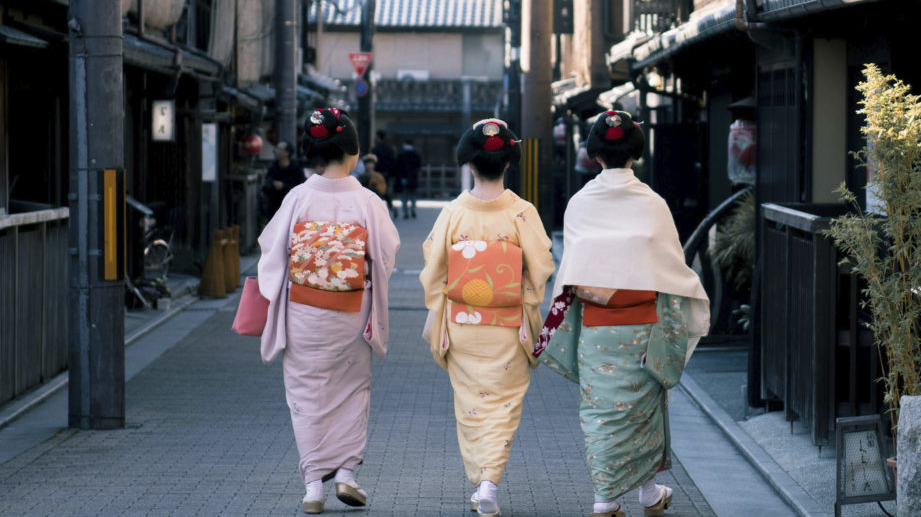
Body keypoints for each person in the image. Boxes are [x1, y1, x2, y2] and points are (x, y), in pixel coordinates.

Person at [534, 110, 710, 517]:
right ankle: (617, 497)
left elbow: (573, 270)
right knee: (645, 411)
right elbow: (672, 268)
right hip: (645, 326)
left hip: (598, 329)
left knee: (601, 413)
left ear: (595, 154)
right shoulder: (652, 204)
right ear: (636, 152)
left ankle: (626, 496)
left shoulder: (580, 203)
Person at [256, 108, 400, 515]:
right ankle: (346, 475)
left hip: (303, 313)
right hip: (351, 313)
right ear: (353, 153)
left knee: (305, 394)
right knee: (353, 391)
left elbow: (271, 253)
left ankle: (312, 488)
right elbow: (386, 253)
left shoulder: (297, 197)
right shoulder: (368, 201)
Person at [419, 119, 555, 517]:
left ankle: (482, 481)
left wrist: (446, 301)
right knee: (505, 405)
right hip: (508, 326)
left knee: (471, 406)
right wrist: (519, 294)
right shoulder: (522, 212)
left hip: (463, 325)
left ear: (471, 165)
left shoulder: (453, 213)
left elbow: (433, 269)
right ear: (508, 163)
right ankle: (490, 482)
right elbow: (542, 265)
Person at [263, 141, 306, 219]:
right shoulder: (273, 167)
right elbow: (265, 187)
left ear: (287, 153)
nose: (275, 151)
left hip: (291, 208)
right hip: (274, 209)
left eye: (279, 149)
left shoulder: (296, 168)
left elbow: (302, 188)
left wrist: (283, 186)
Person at [371, 130, 398, 218]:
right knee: (385, 191)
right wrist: (393, 174)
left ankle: (379, 211)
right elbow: (393, 162)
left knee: (377, 191)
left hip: (378, 173)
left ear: (378, 137)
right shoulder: (389, 148)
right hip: (387, 173)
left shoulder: (376, 149)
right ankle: (391, 207)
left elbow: (374, 162)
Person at [395, 138, 422, 219]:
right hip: (413, 177)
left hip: (403, 177)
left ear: (405, 143)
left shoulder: (401, 153)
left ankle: (405, 212)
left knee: (404, 196)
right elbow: (418, 165)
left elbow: (397, 166)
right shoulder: (416, 153)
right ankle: (413, 210)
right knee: (413, 195)